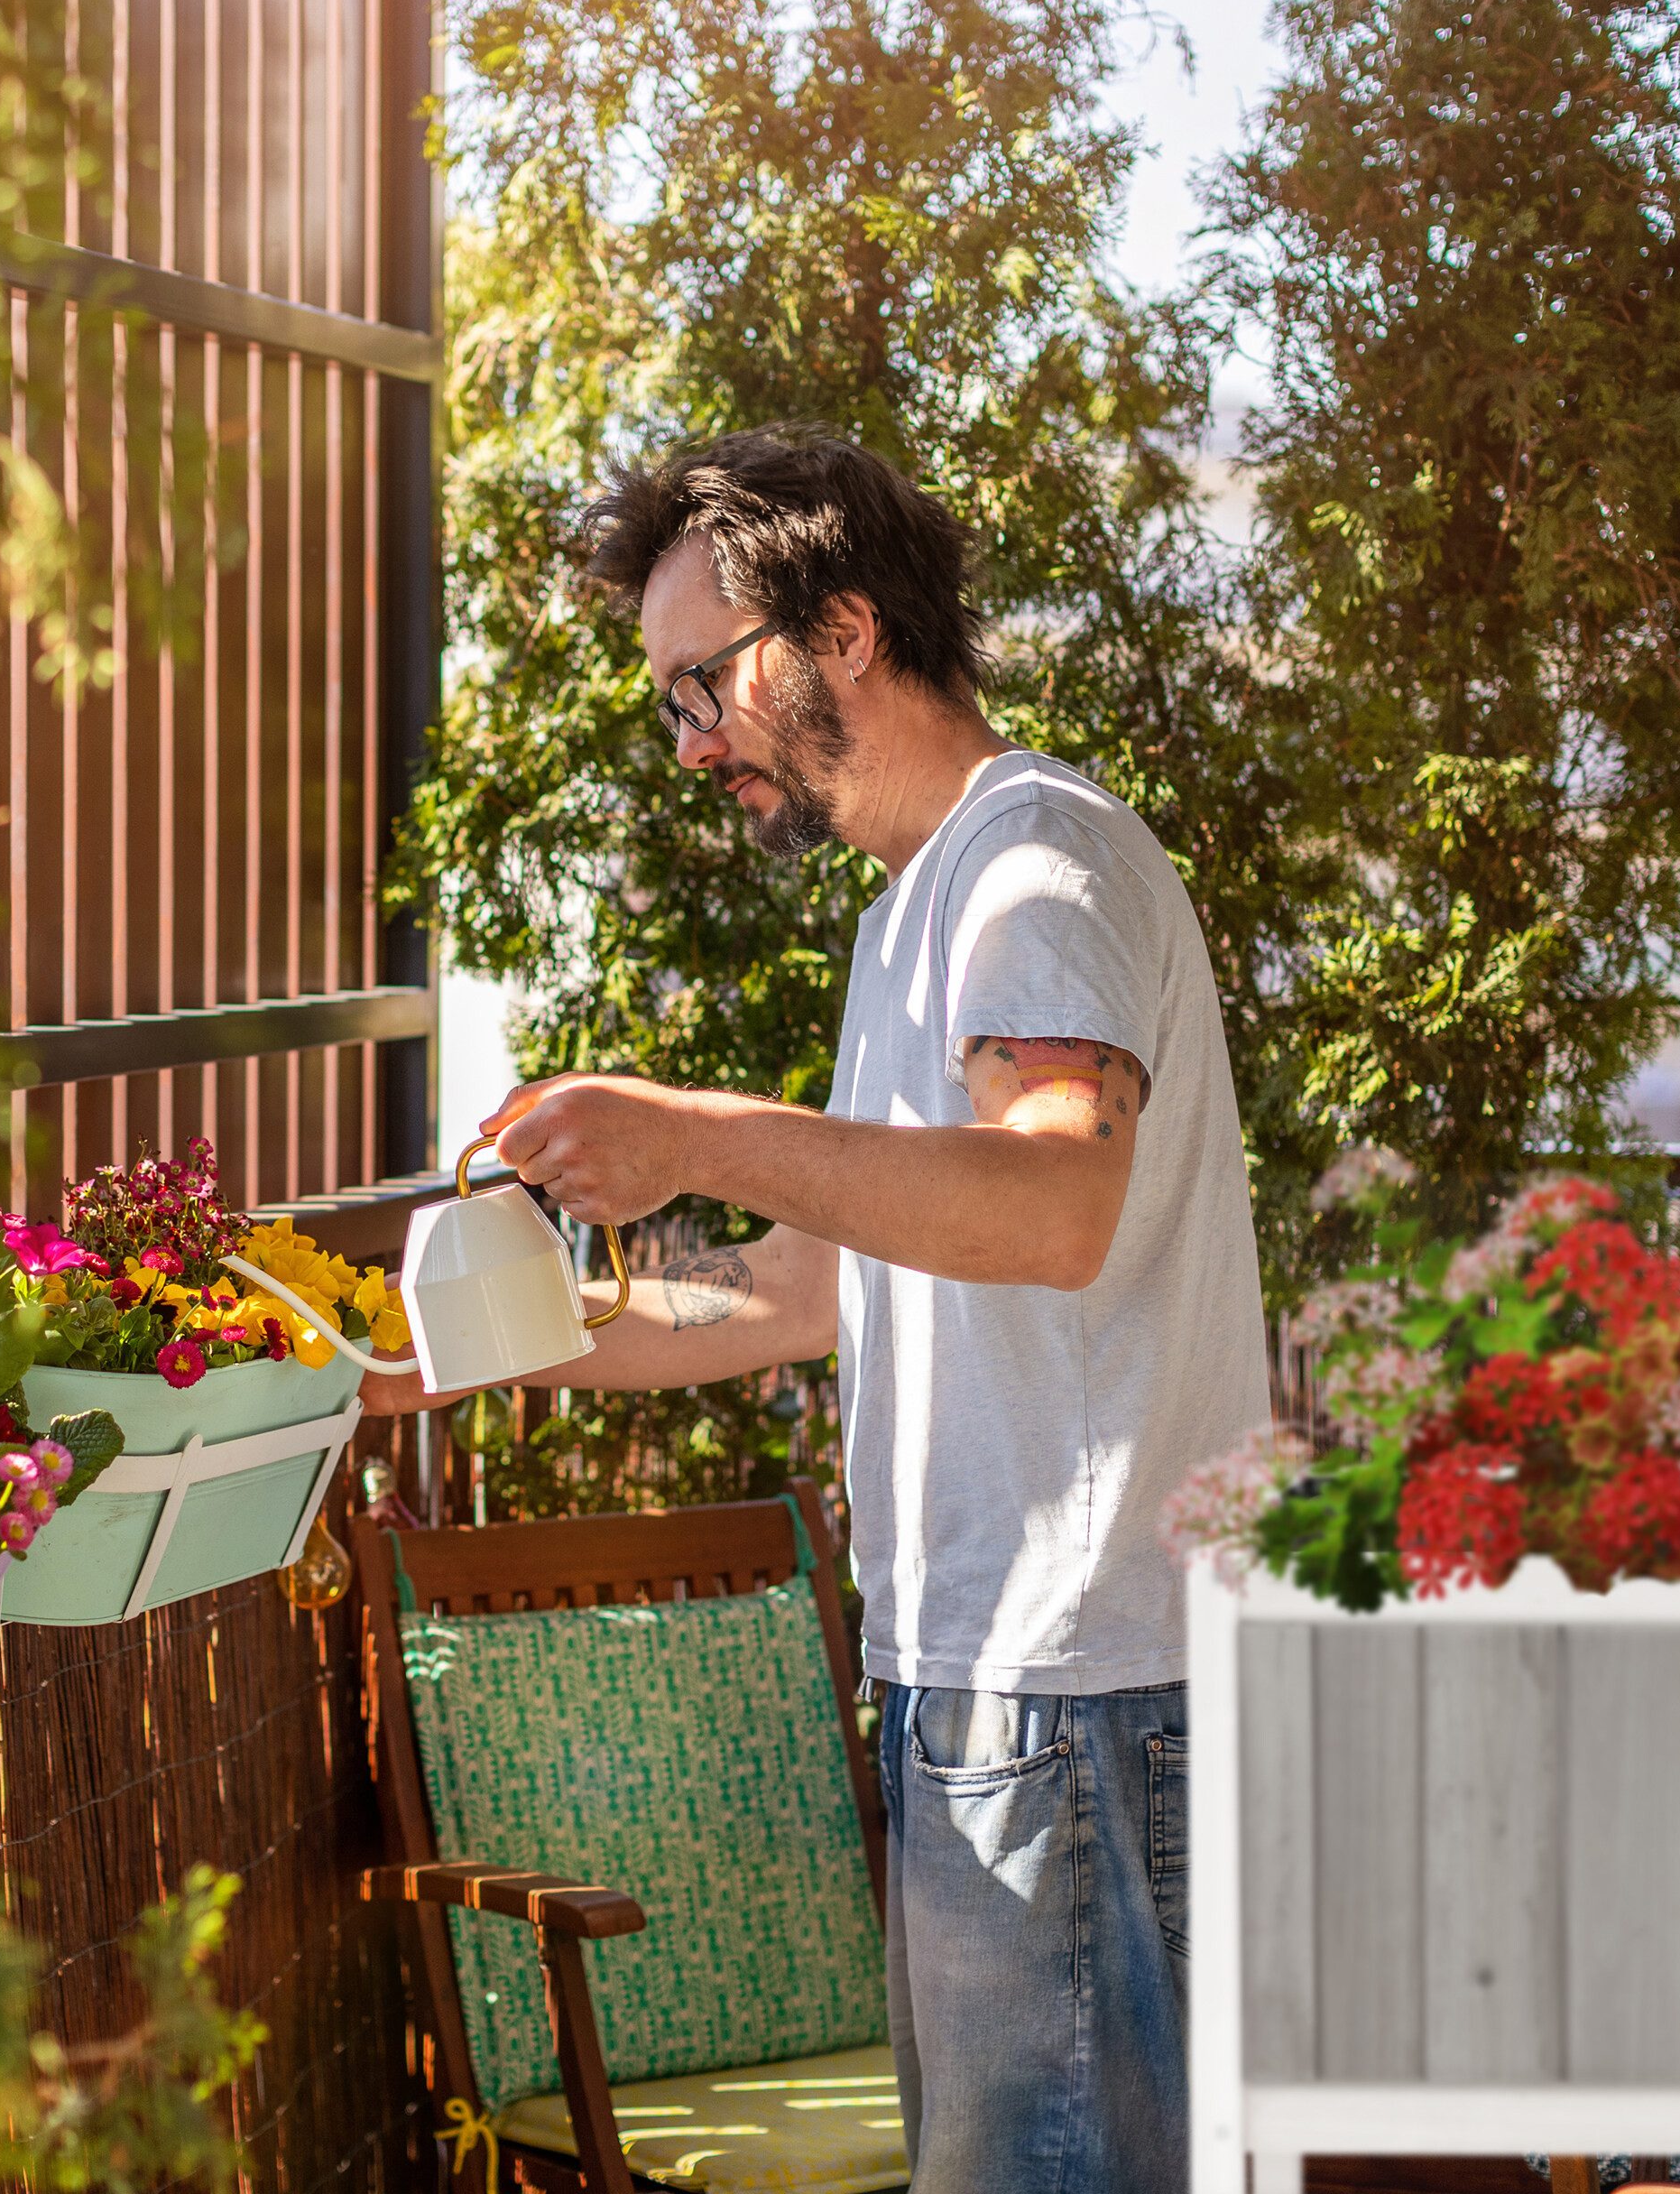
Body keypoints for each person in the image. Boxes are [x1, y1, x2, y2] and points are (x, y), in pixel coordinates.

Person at [378, 425, 1267, 2192]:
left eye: (702, 683)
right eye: (671, 701)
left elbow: (1056, 1199)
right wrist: (442, 1353)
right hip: (985, 1692)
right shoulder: (915, 914)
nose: (691, 740)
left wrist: (695, 1133)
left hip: (1080, 1692)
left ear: (842, 630)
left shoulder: (1034, 867)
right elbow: (802, 1288)